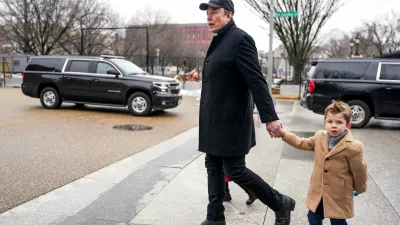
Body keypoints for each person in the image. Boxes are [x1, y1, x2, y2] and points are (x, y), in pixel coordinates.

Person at [198, 1, 296, 225]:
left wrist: (269, 117)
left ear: (229, 15)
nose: (209, 17)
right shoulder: (218, 41)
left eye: (214, 12)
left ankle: (280, 203)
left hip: (231, 121)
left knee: (235, 170)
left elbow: (256, 81)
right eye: (208, 13)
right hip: (213, 121)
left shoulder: (240, 40)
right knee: (212, 166)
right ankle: (214, 218)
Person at [280, 101, 368, 225]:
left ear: (348, 126)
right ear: (325, 123)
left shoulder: (354, 147)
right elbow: (302, 143)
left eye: (339, 122)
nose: (334, 126)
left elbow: (359, 170)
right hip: (319, 190)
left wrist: (359, 188)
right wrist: (284, 134)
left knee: (337, 221)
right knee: (313, 218)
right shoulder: (319, 136)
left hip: (338, 194)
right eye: (330, 121)